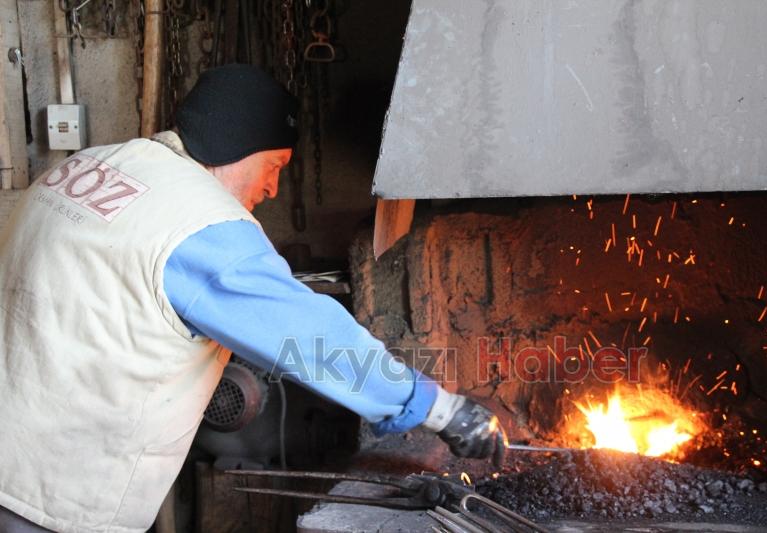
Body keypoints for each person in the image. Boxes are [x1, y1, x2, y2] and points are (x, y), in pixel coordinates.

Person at [0, 64, 506, 533]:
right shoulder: (199, 222)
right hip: (49, 493)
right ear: (237, 144)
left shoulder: (87, 166)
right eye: (275, 164)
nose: (273, 187)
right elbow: (312, 340)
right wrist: (440, 409)